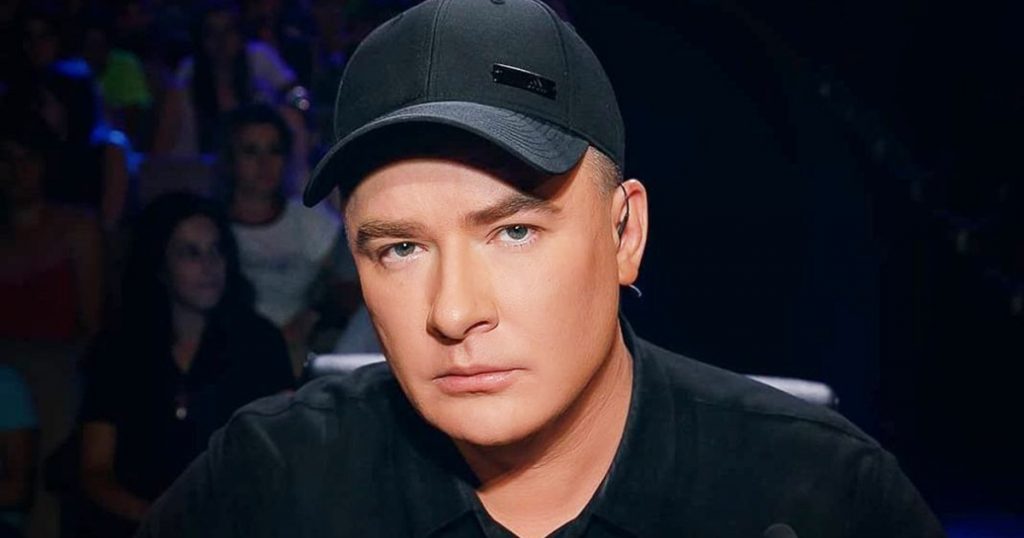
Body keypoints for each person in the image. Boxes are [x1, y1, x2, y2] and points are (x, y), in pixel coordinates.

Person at [138, 1, 945, 537]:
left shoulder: (820, 495)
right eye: (401, 248)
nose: (454, 311)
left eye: (514, 231)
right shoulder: (270, 486)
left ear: (625, 233)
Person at [77, 192, 293, 537]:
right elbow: (95, 469)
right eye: (190, 253)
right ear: (159, 265)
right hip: (137, 524)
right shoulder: (118, 348)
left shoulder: (259, 342)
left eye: (216, 250)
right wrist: (159, 519)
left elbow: (285, 450)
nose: (209, 266)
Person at [222, 104, 363, 376]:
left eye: (274, 150)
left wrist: (314, 315)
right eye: (250, 151)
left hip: (302, 347)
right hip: (231, 351)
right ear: (230, 159)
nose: (265, 164)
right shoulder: (211, 226)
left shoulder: (309, 219)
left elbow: (347, 287)